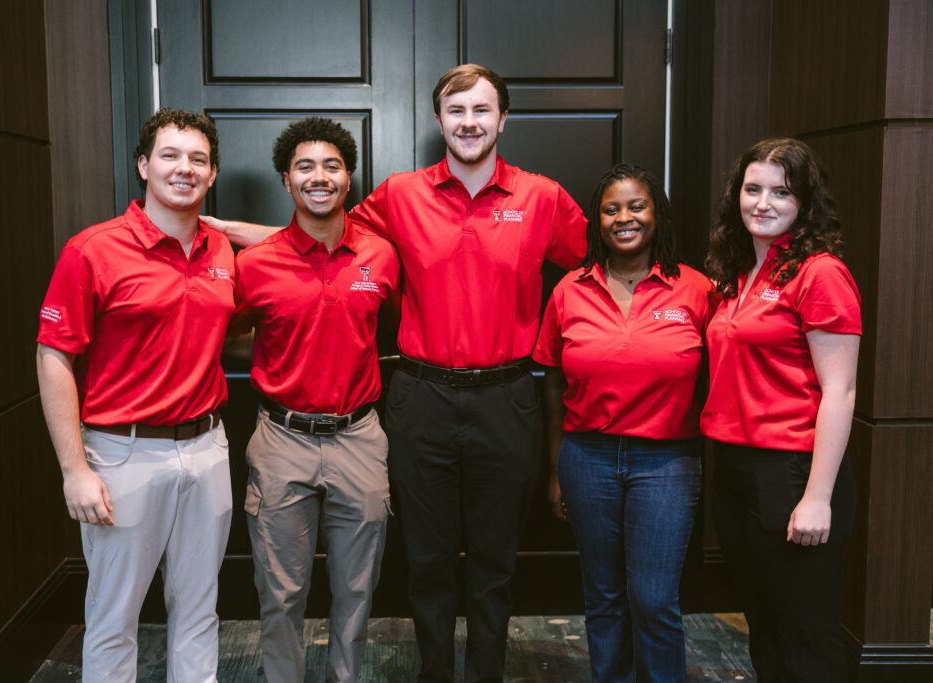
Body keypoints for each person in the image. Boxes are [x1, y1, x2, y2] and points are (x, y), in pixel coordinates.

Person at [207, 64, 586, 683]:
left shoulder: (541, 198)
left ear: (503, 119)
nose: (469, 122)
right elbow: (323, 240)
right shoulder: (401, 194)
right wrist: (247, 237)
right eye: (456, 111)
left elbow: (590, 269)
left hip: (508, 397)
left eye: (481, 110)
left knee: (496, 564)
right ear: (439, 121)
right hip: (422, 397)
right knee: (428, 563)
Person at [35, 109, 234, 682]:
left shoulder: (223, 252)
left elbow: (301, 241)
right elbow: (53, 357)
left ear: (212, 173)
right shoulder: (93, 249)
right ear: (144, 165)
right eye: (170, 155)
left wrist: (236, 230)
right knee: (114, 614)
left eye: (198, 159)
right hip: (122, 453)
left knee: (199, 607)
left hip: (206, 447)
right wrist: (74, 469)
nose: (184, 168)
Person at [228, 117, 399, 682]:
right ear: (286, 180)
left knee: (357, 589)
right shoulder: (254, 264)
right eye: (305, 166)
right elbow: (222, 333)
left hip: (359, 437)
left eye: (331, 165)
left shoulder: (382, 256)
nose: (319, 177)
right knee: (280, 593)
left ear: (348, 177)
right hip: (281, 439)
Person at [533, 164, 710, 681]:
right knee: (604, 596)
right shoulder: (570, 289)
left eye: (637, 206)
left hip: (668, 461)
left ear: (658, 215)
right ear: (598, 221)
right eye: (611, 209)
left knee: (654, 600)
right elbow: (550, 383)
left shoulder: (696, 289)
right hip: (587, 459)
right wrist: (555, 468)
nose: (624, 217)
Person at [701, 138, 860, 682]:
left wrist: (817, 497)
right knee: (765, 625)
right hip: (736, 470)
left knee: (804, 635)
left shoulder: (820, 273)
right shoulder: (740, 271)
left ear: (805, 203)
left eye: (781, 193)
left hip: (792, 472)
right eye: (753, 189)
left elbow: (840, 392)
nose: (762, 203)